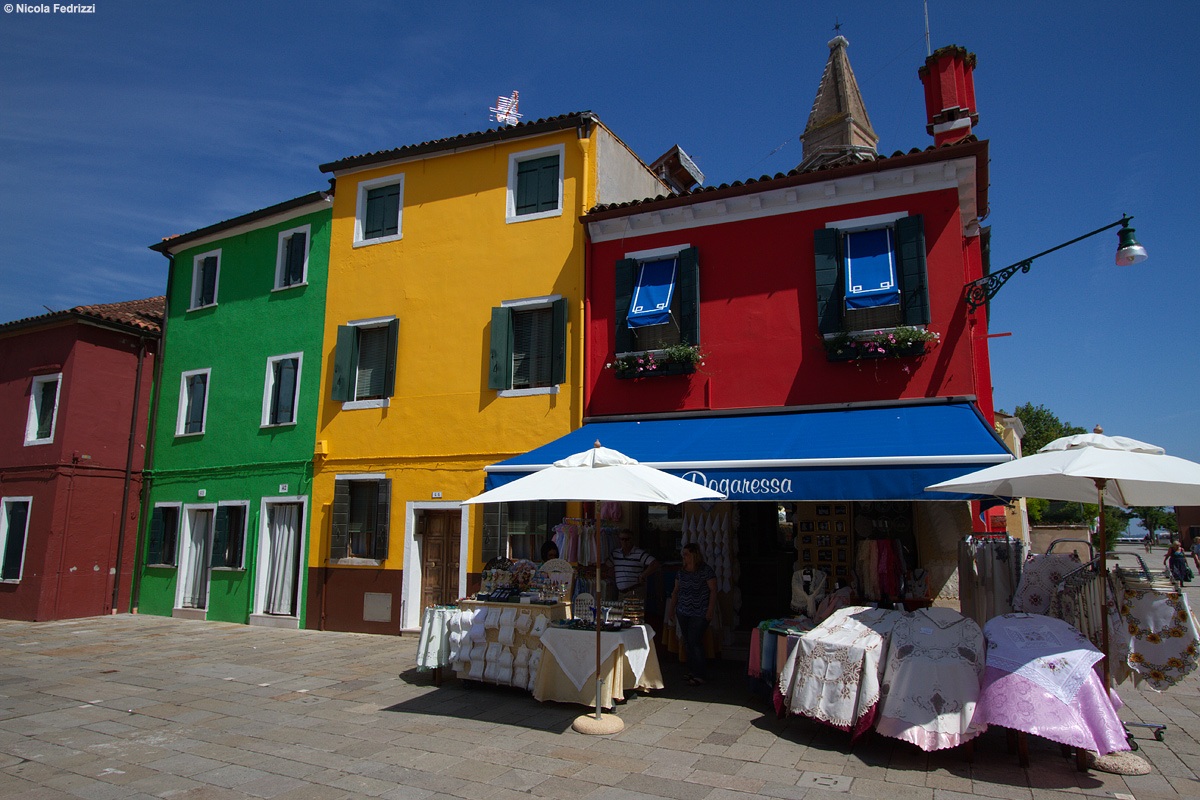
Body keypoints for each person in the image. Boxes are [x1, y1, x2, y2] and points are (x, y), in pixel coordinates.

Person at [666, 543, 717, 685]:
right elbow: (676, 590)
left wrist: (710, 609)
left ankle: (700, 673)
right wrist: (672, 609)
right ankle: (692, 671)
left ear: (694, 554)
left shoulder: (705, 570)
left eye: (687, 554)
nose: (684, 557)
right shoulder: (682, 571)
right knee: (687, 642)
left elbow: (713, 590)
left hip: (699, 611)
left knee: (695, 641)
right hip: (683, 610)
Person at [605, 531, 660, 600]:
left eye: (627, 539)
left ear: (632, 540)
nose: (625, 542)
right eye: (622, 539)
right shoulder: (615, 554)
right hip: (621, 593)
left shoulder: (639, 553)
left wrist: (643, 575)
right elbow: (607, 566)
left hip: (634, 591)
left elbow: (655, 564)